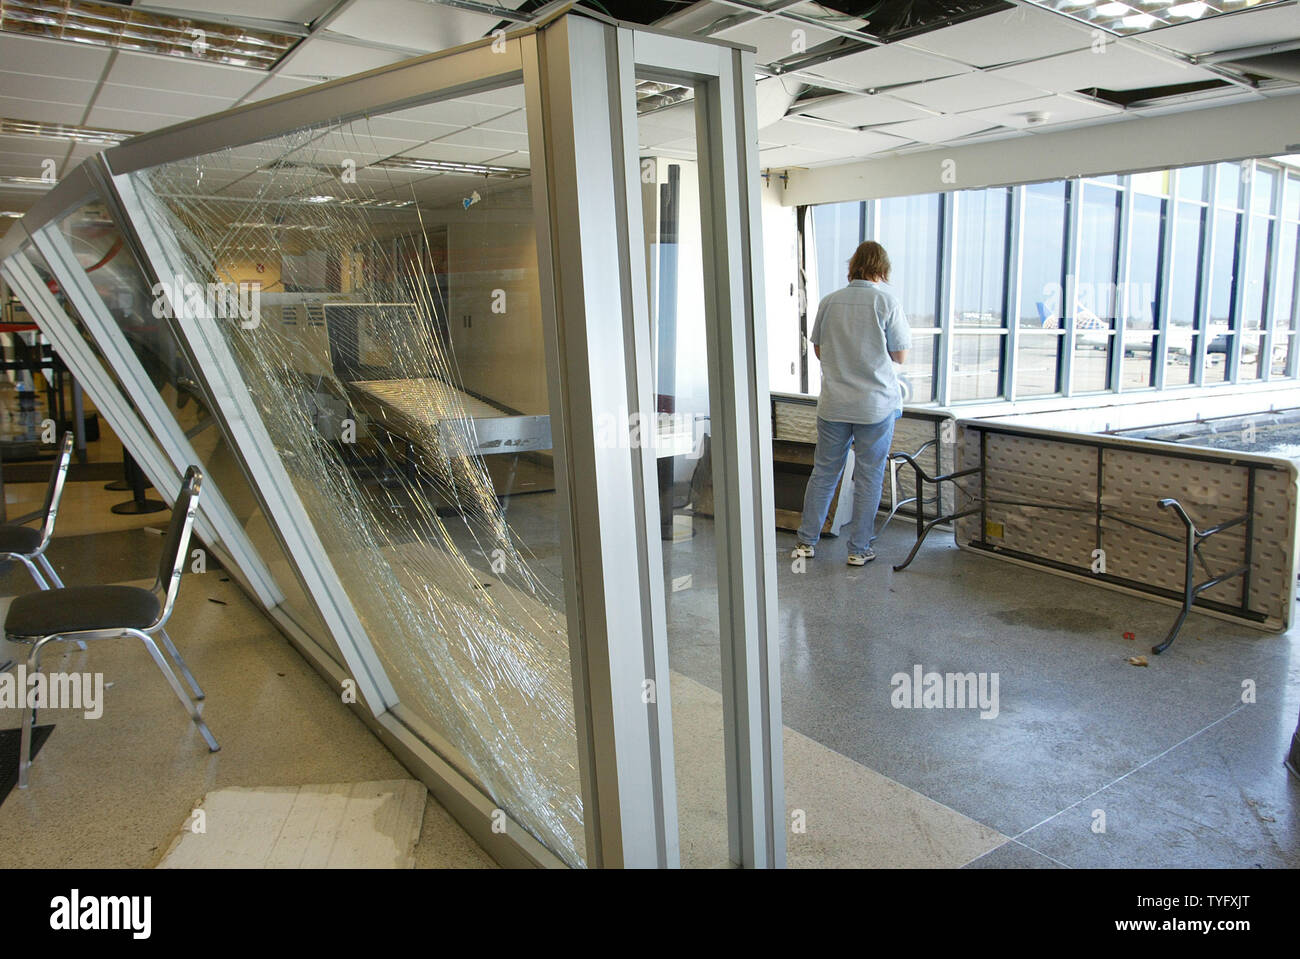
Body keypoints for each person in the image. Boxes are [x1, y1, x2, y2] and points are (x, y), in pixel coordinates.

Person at [792, 240, 910, 566]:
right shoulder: (886, 302)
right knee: (869, 476)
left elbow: (817, 348)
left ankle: (805, 543)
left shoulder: (830, 301)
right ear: (882, 268)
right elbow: (899, 354)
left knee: (825, 472)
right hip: (875, 406)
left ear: (853, 265)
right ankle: (858, 550)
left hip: (834, 404)